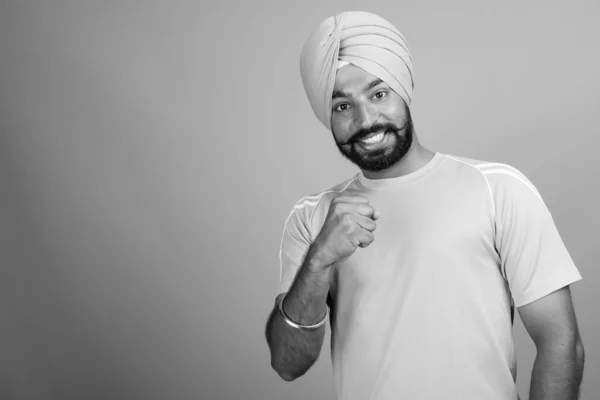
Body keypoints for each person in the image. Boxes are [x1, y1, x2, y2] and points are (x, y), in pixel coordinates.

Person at [264, 11, 585, 400]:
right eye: (342, 106)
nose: (367, 120)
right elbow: (287, 363)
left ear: (404, 90)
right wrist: (319, 260)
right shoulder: (312, 218)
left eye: (379, 94)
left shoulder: (498, 189)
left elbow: (560, 342)